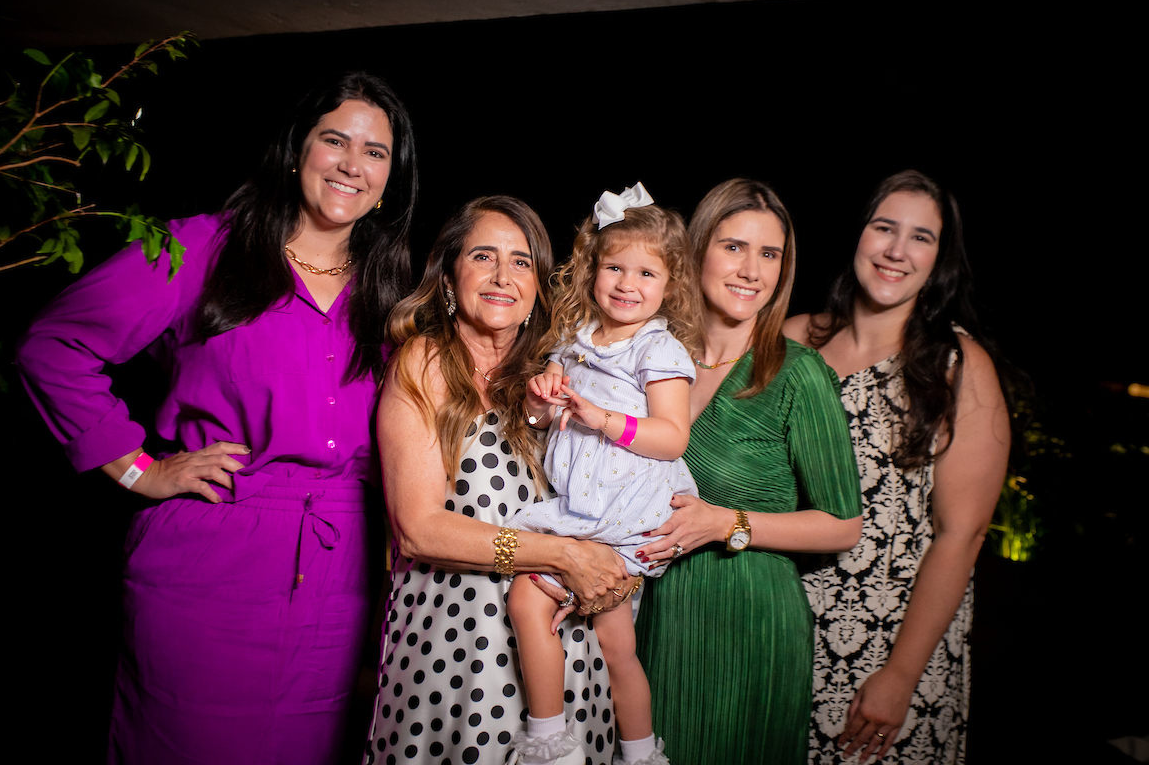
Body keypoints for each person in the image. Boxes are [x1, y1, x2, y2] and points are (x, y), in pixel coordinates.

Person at [15, 71, 418, 764]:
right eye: (335, 141)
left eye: (375, 152)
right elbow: (55, 346)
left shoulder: (391, 289)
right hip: (213, 562)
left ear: (391, 176)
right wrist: (139, 469)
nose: (353, 164)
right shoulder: (202, 247)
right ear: (297, 152)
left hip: (343, 570)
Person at [364, 196, 636, 765]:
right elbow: (418, 530)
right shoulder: (425, 362)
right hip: (458, 647)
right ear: (449, 273)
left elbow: (621, 487)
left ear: (540, 283)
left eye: (520, 262)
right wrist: (563, 555)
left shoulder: (560, 375)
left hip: (565, 644)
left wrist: (630, 560)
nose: (501, 276)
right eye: (483, 256)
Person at [633, 178, 863, 764]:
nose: (752, 270)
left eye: (770, 254)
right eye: (734, 247)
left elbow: (842, 526)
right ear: (697, 250)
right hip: (648, 616)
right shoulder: (649, 358)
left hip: (749, 623)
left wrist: (726, 523)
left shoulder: (798, 374)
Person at [783, 170, 1010, 765]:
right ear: (859, 234)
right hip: (779, 630)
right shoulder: (792, 339)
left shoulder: (957, 366)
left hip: (888, 649)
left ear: (939, 260)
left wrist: (901, 675)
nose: (896, 251)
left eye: (921, 238)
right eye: (884, 228)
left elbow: (963, 536)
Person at [504, 183, 703, 765]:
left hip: (621, 508)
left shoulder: (657, 348)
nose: (627, 284)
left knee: (529, 601)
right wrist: (542, 397)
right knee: (615, 644)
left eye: (646, 274)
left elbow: (672, 436)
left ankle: (554, 741)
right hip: (583, 503)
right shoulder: (572, 343)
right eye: (615, 267)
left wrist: (604, 418)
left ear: (670, 286)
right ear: (592, 269)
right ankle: (626, 751)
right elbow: (544, 419)